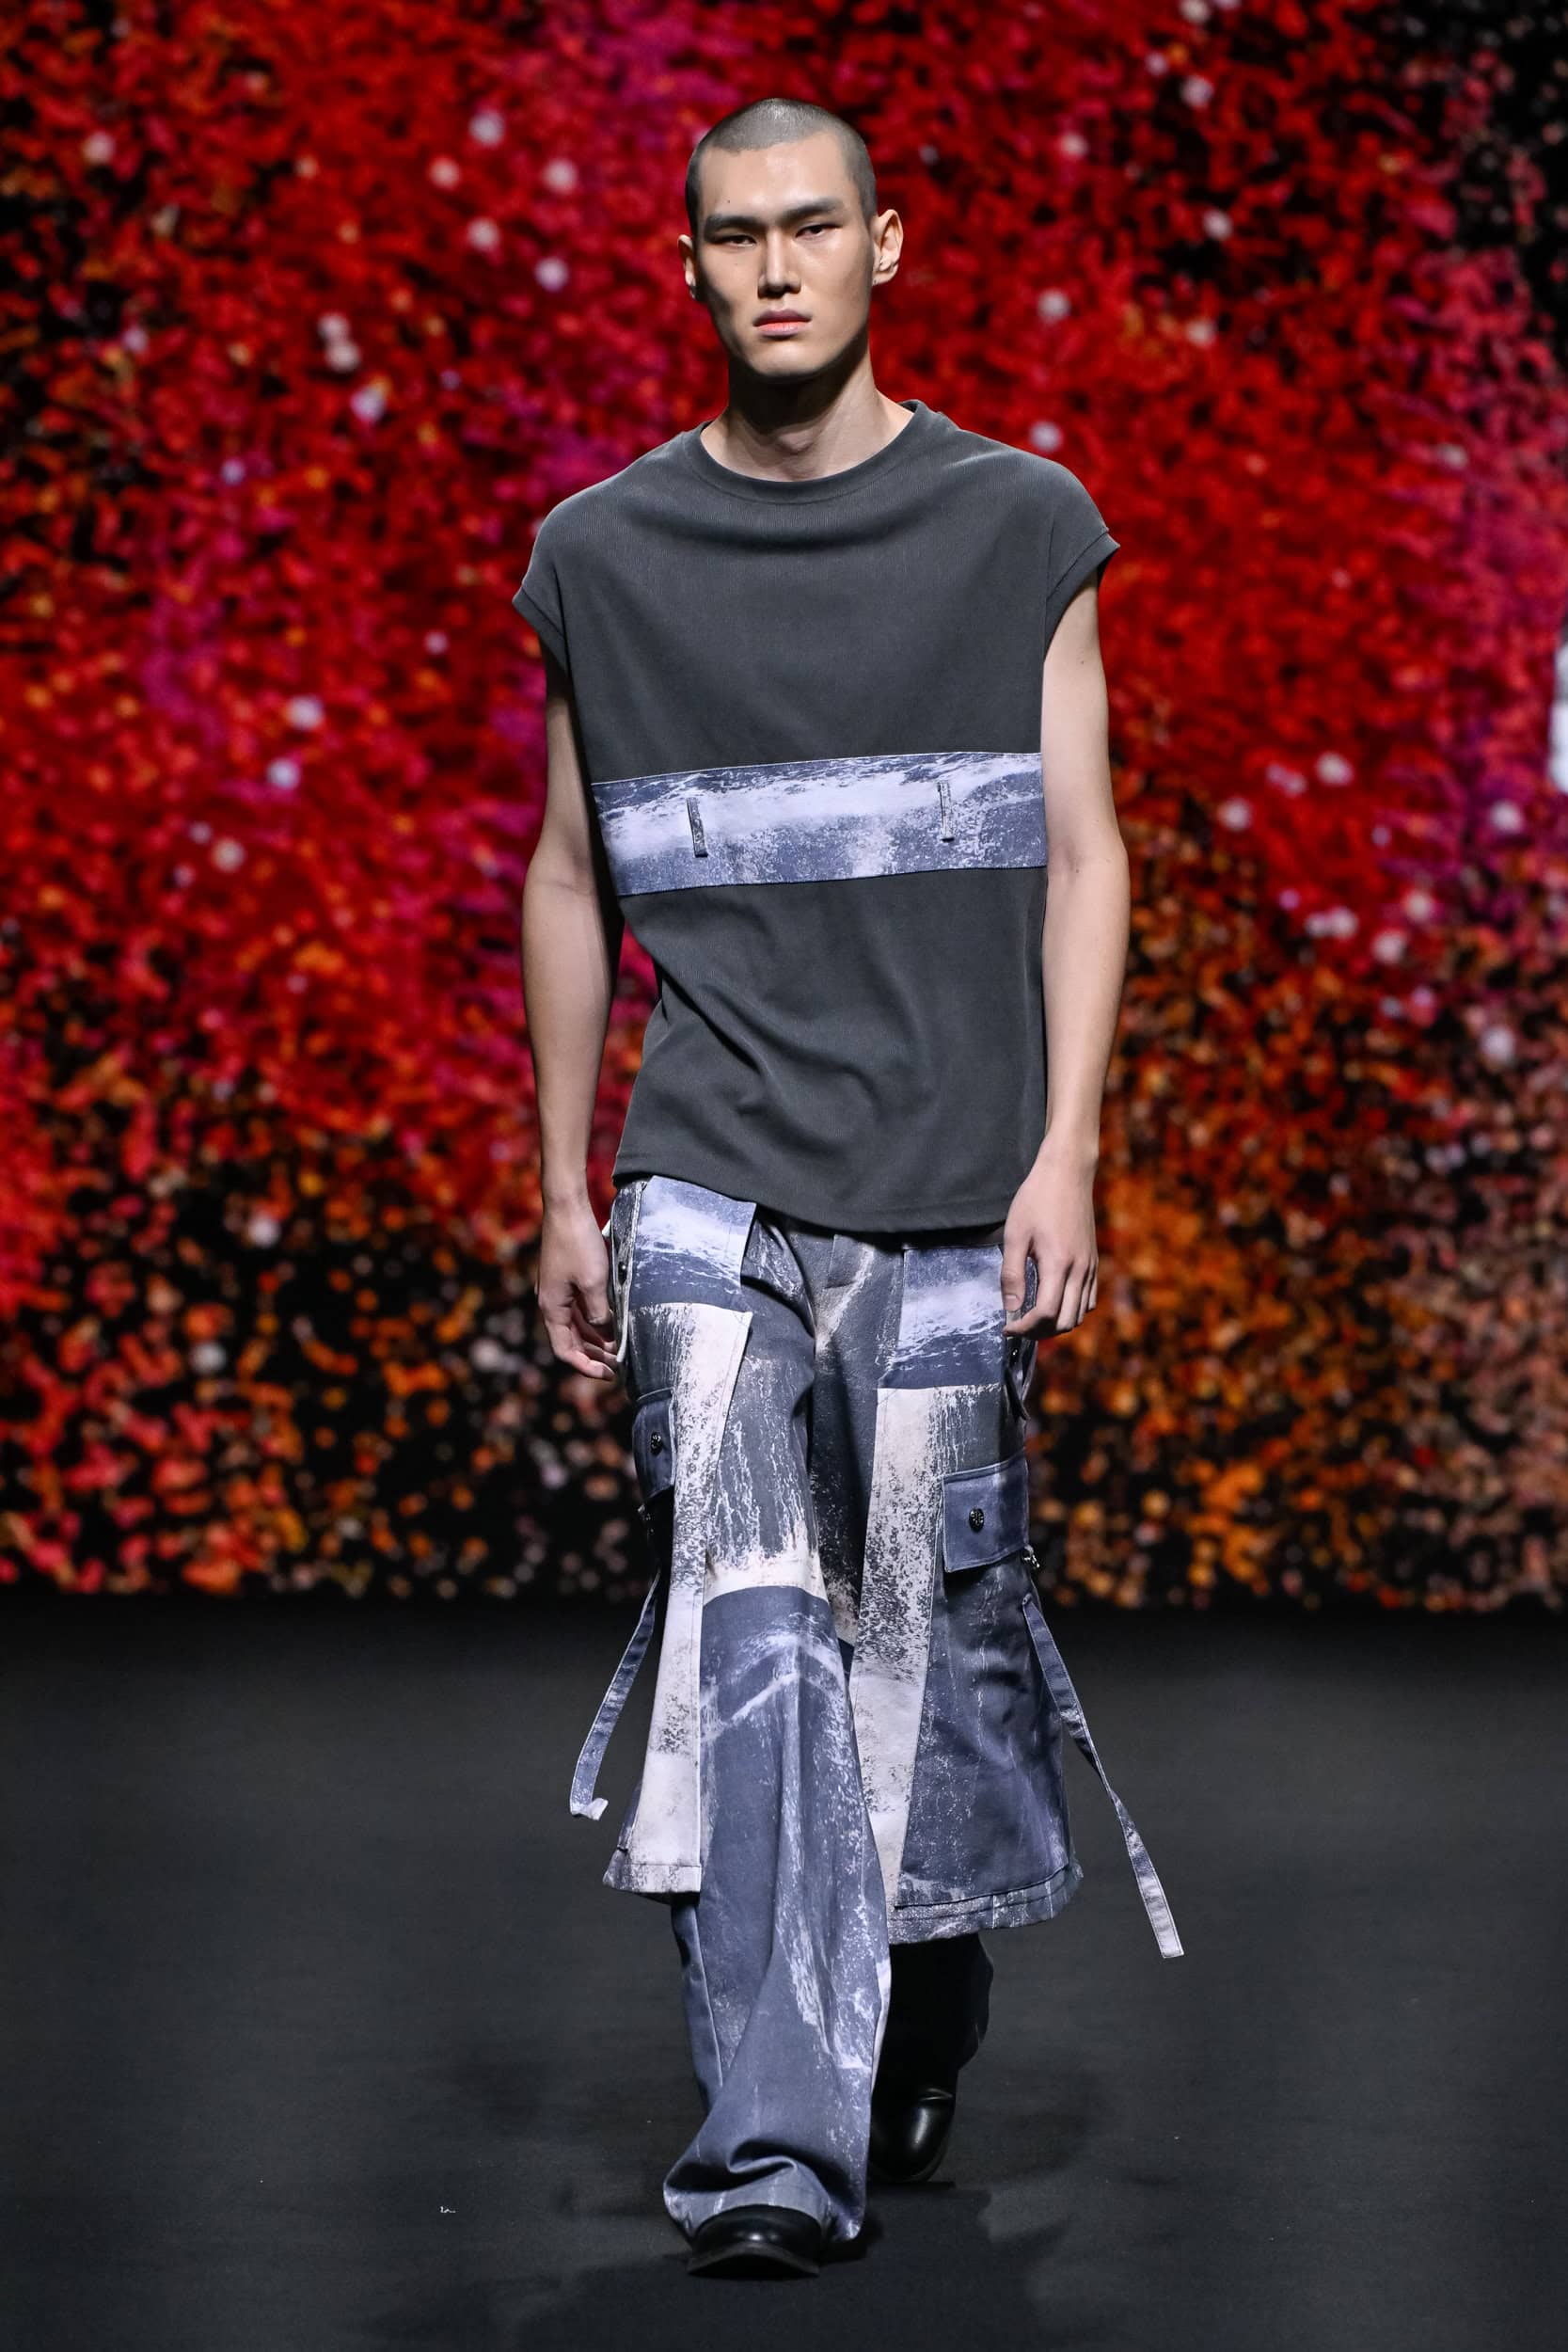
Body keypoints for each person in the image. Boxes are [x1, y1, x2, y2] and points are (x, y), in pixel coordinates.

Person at [515, 94, 1182, 2283]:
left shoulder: (1020, 522)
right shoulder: (601, 551)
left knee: (926, 1636)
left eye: (815, 226)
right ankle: (774, 2147)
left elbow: (1085, 849)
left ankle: (918, 1987)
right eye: (738, 234)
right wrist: (563, 1183)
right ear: (690, 263)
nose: (778, 266)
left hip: (952, 1182)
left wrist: (1070, 1143)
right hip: (706, 1173)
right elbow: (570, 867)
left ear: (887, 245)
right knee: (757, 1628)